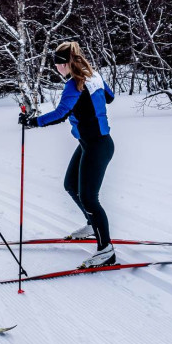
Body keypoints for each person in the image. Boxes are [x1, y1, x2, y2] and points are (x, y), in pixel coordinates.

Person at [20, 41, 117, 268]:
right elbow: (110, 97)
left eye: (57, 65)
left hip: (97, 145)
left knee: (89, 198)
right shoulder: (95, 77)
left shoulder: (75, 84)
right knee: (71, 185)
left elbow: (61, 113)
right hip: (89, 143)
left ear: (65, 64)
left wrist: (33, 121)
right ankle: (92, 226)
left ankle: (106, 250)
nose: (56, 68)